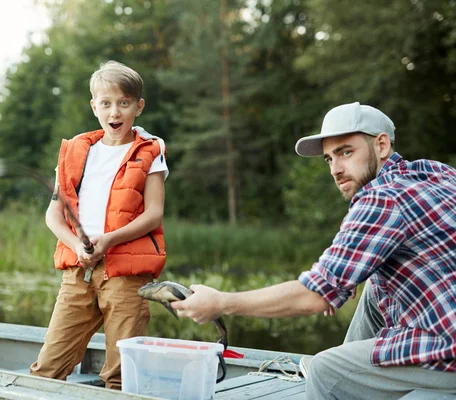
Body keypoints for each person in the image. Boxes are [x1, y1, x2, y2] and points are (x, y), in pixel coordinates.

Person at [171, 102, 456, 399]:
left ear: (381, 145)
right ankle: (356, 384)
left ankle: (340, 385)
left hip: (448, 349)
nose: (336, 169)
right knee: (375, 288)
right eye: (328, 159)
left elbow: (315, 296)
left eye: (346, 152)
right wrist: (359, 276)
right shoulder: (433, 172)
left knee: (324, 369)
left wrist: (220, 302)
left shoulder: (381, 199)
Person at [30, 60, 168, 390]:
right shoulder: (77, 151)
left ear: (139, 106)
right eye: (105, 103)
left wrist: (108, 240)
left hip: (127, 277)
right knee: (47, 369)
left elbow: (153, 215)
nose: (114, 112)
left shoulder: (150, 151)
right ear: (94, 107)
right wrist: (78, 245)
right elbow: (53, 216)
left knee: (121, 377)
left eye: (124, 103)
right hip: (78, 272)